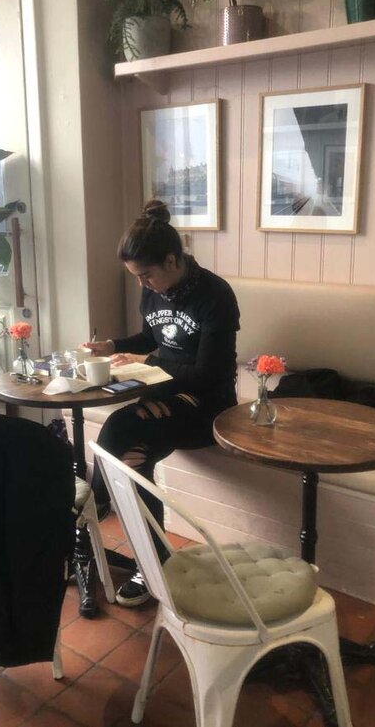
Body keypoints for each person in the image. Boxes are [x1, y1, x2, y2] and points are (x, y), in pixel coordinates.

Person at [83, 199, 240, 606]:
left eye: (146, 275)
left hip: (208, 406)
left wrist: (147, 361)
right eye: (136, 277)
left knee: (120, 430)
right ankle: (153, 561)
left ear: (172, 260)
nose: (142, 285)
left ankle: (89, 518)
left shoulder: (215, 296)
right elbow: (153, 339)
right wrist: (114, 346)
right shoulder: (152, 293)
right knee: (133, 454)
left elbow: (208, 373)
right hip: (166, 397)